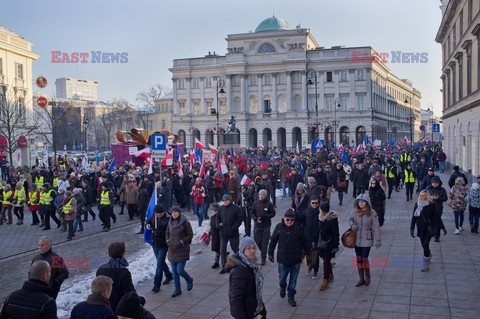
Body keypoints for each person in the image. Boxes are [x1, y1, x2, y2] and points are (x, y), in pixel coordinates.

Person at [268, 209, 310, 307]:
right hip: (282, 258)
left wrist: (308, 255)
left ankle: (291, 296)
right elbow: (273, 241)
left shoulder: (298, 228)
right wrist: (270, 253)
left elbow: (305, 243)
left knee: (293, 280)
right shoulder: (279, 227)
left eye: (291, 220)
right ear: (284, 219)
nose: (289, 222)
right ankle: (282, 287)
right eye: (288, 220)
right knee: (282, 277)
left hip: (295, 259)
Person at [228, 236, 266, 319]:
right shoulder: (239, 271)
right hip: (242, 315)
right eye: (248, 248)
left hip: (251, 311)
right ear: (242, 250)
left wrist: (262, 308)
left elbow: (254, 292)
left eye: (254, 248)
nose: (252, 251)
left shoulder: (252, 265)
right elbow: (235, 299)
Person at [348, 194, 381, 287]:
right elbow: (350, 219)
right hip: (356, 238)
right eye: (359, 202)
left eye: (363, 202)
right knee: (359, 259)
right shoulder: (354, 211)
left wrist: (378, 239)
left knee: (364, 258)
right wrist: (352, 225)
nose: (361, 204)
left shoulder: (372, 212)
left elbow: (376, 226)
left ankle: (367, 277)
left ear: (367, 203)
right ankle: (361, 278)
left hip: (367, 237)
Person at [96, 241, 136, 312]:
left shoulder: (101, 269)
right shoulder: (123, 272)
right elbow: (129, 294)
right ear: (122, 253)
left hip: (104, 308)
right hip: (119, 310)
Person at [166, 206, 194, 297]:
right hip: (172, 250)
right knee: (174, 272)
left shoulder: (185, 222)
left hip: (182, 249)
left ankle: (189, 280)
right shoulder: (170, 222)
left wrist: (183, 241)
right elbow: (167, 233)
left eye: (176, 212)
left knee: (180, 270)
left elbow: (190, 234)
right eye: (172, 212)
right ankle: (177, 289)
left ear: (179, 213)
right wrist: (167, 240)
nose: (174, 214)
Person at [145, 204, 173, 293]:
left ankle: (156, 284)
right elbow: (148, 222)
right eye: (156, 213)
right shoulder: (154, 216)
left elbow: (169, 231)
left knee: (159, 264)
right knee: (160, 262)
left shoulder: (168, 218)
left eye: (159, 214)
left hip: (163, 244)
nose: (157, 215)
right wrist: (148, 225)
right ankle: (169, 275)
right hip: (155, 243)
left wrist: (158, 231)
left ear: (163, 212)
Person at [410, 190, 439, 271]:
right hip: (420, 228)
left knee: (425, 245)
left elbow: (436, 218)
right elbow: (414, 217)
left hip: (428, 229)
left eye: (423, 195)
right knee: (423, 245)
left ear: (427, 196)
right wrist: (412, 228)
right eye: (420, 195)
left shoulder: (431, 205)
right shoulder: (417, 205)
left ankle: (425, 263)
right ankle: (428, 254)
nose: (421, 197)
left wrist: (441, 228)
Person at [217, 194, 244, 274]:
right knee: (222, 250)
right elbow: (217, 218)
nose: (224, 202)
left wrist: (235, 227)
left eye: (226, 200)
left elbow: (240, 218)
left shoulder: (236, 208)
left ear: (230, 200)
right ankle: (224, 266)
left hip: (233, 232)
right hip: (223, 232)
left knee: (235, 249)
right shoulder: (221, 208)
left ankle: (240, 264)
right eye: (223, 200)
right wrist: (218, 224)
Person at [317, 200, 339, 291]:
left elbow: (335, 233)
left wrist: (335, 246)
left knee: (326, 260)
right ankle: (330, 274)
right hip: (321, 243)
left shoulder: (332, 219)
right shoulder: (319, 217)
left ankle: (325, 280)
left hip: (329, 244)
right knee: (325, 260)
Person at [250, 189, 276, 265]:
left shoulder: (269, 204)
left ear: (265, 196)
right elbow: (252, 212)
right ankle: (263, 251)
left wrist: (266, 216)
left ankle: (263, 257)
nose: (261, 196)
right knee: (257, 241)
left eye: (262, 195)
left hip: (266, 226)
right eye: (260, 195)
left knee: (265, 242)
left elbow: (273, 213)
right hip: (257, 225)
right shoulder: (255, 203)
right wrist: (255, 219)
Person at [426, 176, 448, 242]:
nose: (435, 184)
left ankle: (437, 236)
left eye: (436, 183)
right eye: (433, 183)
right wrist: (430, 198)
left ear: (439, 183)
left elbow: (445, 198)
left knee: (437, 223)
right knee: (430, 222)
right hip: (429, 209)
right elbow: (424, 197)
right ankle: (432, 233)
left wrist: (438, 198)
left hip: (438, 209)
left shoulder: (442, 189)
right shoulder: (428, 189)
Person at [209, 203, 222, 268]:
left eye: (212, 209)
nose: (211, 210)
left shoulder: (220, 216)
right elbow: (211, 226)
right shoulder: (212, 217)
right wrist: (209, 233)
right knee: (217, 249)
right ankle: (216, 262)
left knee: (220, 249)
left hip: (219, 235)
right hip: (214, 235)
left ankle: (219, 262)